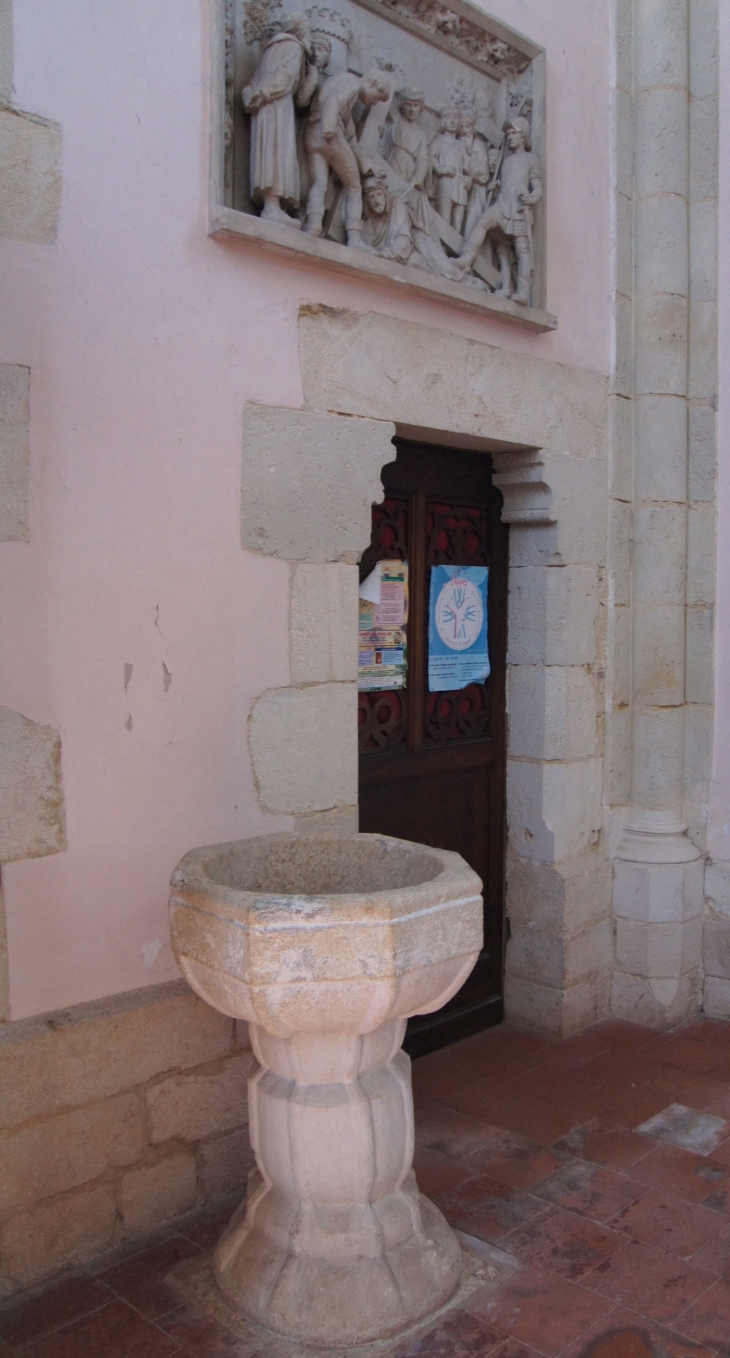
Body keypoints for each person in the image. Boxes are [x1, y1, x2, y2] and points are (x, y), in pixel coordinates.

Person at [454, 115, 542, 304]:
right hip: (502, 205)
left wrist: (530, 197)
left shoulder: (530, 159)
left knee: (521, 250)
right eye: (508, 133)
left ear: (523, 136)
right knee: (488, 227)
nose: (510, 137)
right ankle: (467, 258)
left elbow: (538, 189)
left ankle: (523, 290)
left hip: (518, 209)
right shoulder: (505, 159)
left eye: (513, 133)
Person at [304, 69, 390, 249]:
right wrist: (329, 129)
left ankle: (313, 224)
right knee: (354, 186)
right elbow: (333, 102)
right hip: (330, 135)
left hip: (312, 134)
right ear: (372, 84)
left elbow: (352, 141)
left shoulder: (345, 97)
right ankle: (354, 238)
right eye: (377, 97)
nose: (374, 103)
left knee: (319, 183)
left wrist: (369, 165)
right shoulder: (352, 83)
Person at [242, 14, 312, 226]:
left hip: (263, 106)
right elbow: (285, 79)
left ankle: (272, 206)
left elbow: (252, 82)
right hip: (277, 105)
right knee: (277, 152)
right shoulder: (294, 47)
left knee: (268, 151)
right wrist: (264, 93)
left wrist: (252, 96)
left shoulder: (270, 49)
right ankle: (272, 208)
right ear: (300, 30)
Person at [427, 105, 470, 233]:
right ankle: (441, 249)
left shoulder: (460, 145)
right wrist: (440, 168)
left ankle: (454, 252)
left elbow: (467, 167)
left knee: (458, 221)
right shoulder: (437, 141)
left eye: (456, 118)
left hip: (460, 184)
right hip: (445, 182)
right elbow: (429, 157)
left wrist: (469, 178)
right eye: (448, 117)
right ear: (442, 121)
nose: (452, 121)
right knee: (444, 217)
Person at [361, 171, 414, 263]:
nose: (377, 201)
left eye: (379, 194)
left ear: (385, 195)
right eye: (371, 196)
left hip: (395, 256)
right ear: (366, 201)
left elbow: (403, 240)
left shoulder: (397, 207)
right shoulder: (365, 219)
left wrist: (387, 253)